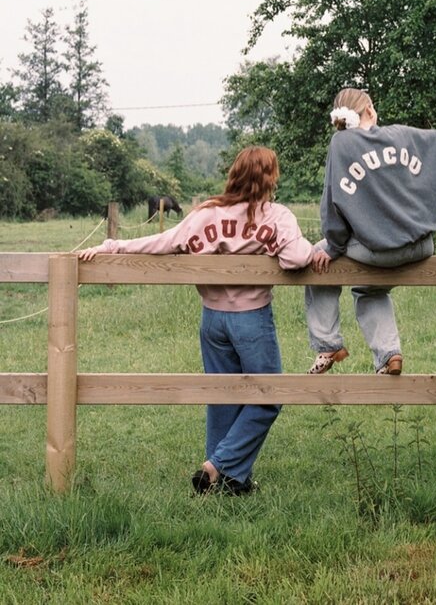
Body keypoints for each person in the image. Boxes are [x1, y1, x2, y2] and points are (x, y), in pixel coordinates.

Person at [78, 145, 325, 496]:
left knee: (221, 396)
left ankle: (229, 485)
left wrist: (114, 246)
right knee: (270, 397)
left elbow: (166, 242)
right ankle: (218, 467)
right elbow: (298, 257)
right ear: (270, 179)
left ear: (235, 174)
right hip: (251, 319)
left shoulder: (207, 213)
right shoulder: (276, 215)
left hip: (212, 321)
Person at [307, 88, 436, 375]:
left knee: (317, 255)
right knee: (369, 289)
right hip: (421, 245)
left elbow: (333, 202)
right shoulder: (402, 135)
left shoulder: (341, 144)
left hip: (379, 251)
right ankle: (389, 357)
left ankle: (328, 344)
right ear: (369, 109)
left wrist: (332, 246)